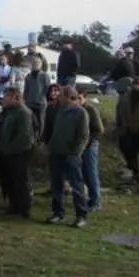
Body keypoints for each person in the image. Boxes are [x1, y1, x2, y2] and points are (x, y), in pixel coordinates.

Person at [46, 86, 90, 228]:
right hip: (56, 153)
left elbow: (83, 136)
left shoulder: (80, 113)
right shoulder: (60, 111)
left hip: (71, 155)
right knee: (56, 185)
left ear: (69, 97)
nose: (58, 98)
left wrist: (75, 152)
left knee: (77, 186)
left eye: (61, 96)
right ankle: (58, 213)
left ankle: (81, 216)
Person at [0, 87, 35, 218]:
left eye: (7, 96)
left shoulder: (23, 113)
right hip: (6, 151)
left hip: (19, 152)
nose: (4, 99)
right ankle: (14, 205)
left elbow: (24, 136)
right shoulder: (9, 112)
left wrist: (10, 148)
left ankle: (24, 208)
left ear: (15, 97)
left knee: (20, 181)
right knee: (9, 181)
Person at [77, 87, 105, 210]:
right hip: (79, 145)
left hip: (90, 145)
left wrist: (90, 143)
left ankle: (96, 201)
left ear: (84, 97)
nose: (77, 101)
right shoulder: (75, 110)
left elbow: (99, 129)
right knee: (82, 173)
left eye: (79, 98)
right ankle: (88, 198)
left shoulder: (90, 110)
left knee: (90, 172)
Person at [23, 57, 49, 138]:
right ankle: (32, 136)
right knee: (31, 120)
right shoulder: (28, 76)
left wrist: (44, 98)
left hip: (41, 102)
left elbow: (47, 88)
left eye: (38, 62)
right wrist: (25, 99)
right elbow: (26, 89)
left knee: (41, 120)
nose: (36, 64)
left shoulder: (45, 75)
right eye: (34, 62)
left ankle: (40, 138)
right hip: (30, 102)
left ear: (41, 64)